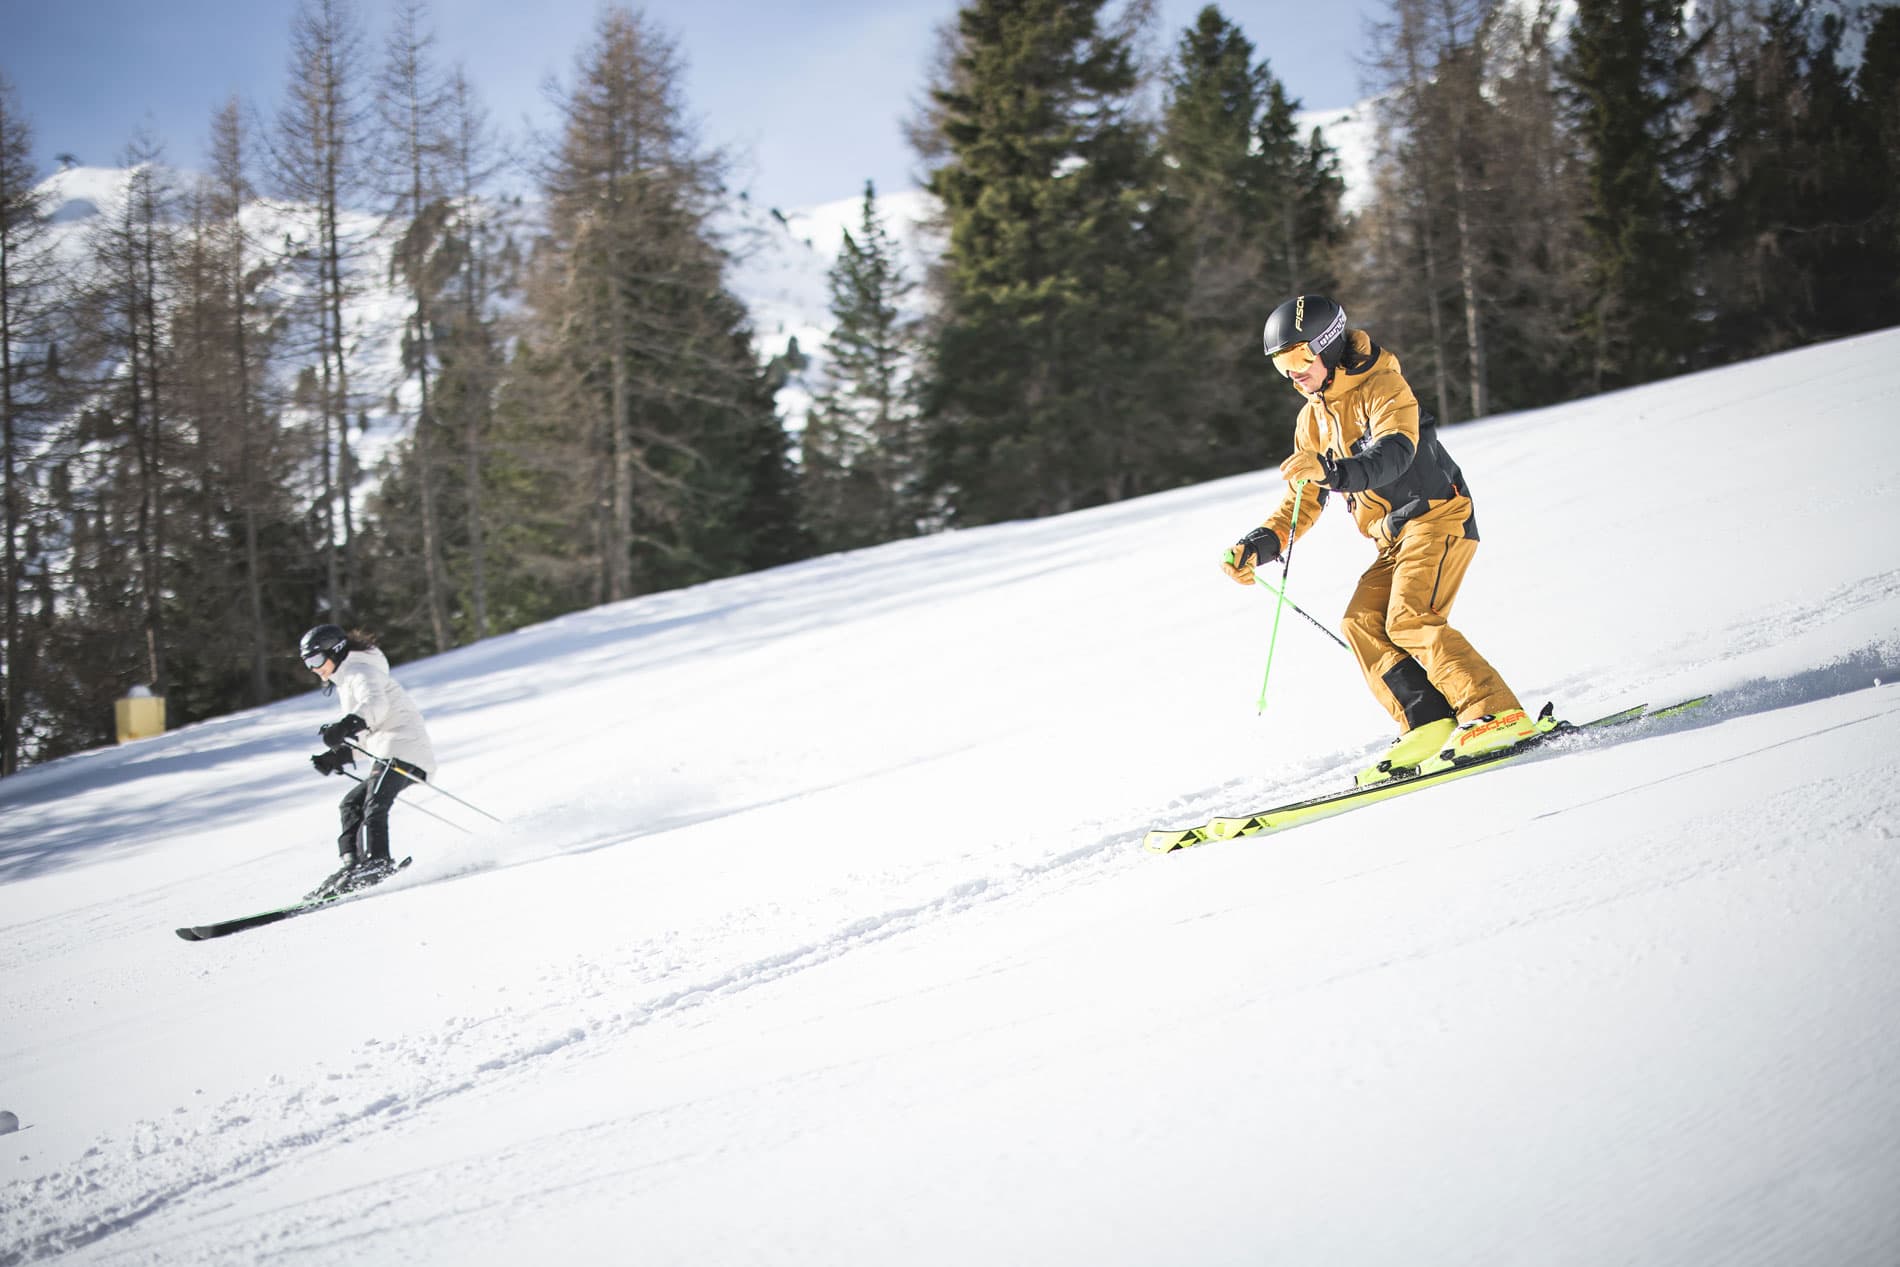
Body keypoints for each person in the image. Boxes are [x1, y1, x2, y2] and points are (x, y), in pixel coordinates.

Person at [1222, 294, 1539, 785]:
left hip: (1438, 518)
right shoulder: (1312, 419)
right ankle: (1428, 722)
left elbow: (1395, 455)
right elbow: (1302, 500)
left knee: (1410, 618)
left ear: (1326, 348)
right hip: (1392, 540)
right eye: (1281, 366)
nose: (1293, 375)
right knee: (1362, 621)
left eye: (1299, 360)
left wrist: (1330, 469)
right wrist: (1260, 544)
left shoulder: (1384, 385)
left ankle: (1495, 714)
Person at [299, 624, 437, 898]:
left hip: (404, 749)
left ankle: (378, 861)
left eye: (316, 660)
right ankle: (353, 864)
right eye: (307, 664)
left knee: (375, 803)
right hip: (389, 748)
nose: (314, 669)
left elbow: (375, 706)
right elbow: (367, 734)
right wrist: (337, 756)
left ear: (335, 651)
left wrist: (347, 724)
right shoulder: (347, 679)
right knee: (350, 804)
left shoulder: (361, 671)